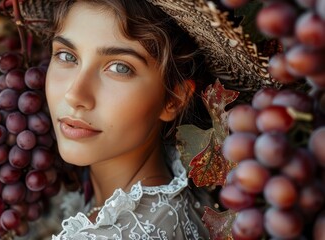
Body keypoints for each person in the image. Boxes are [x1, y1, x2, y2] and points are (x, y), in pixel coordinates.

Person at [40, 0, 271, 239]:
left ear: (174, 100)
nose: (75, 94)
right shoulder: (170, 200)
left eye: (120, 68)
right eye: (67, 56)